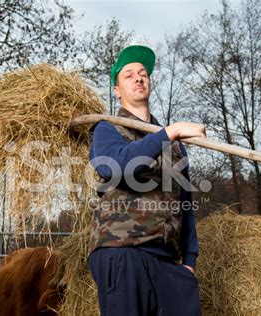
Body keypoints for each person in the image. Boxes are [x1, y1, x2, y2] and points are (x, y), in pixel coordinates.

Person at [87, 45, 206, 316]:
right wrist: (169, 132)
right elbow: (116, 166)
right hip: (121, 249)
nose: (139, 77)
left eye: (143, 73)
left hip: (165, 257)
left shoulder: (175, 145)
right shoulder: (107, 128)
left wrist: (189, 260)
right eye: (128, 75)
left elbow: (185, 202)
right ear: (117, 91)